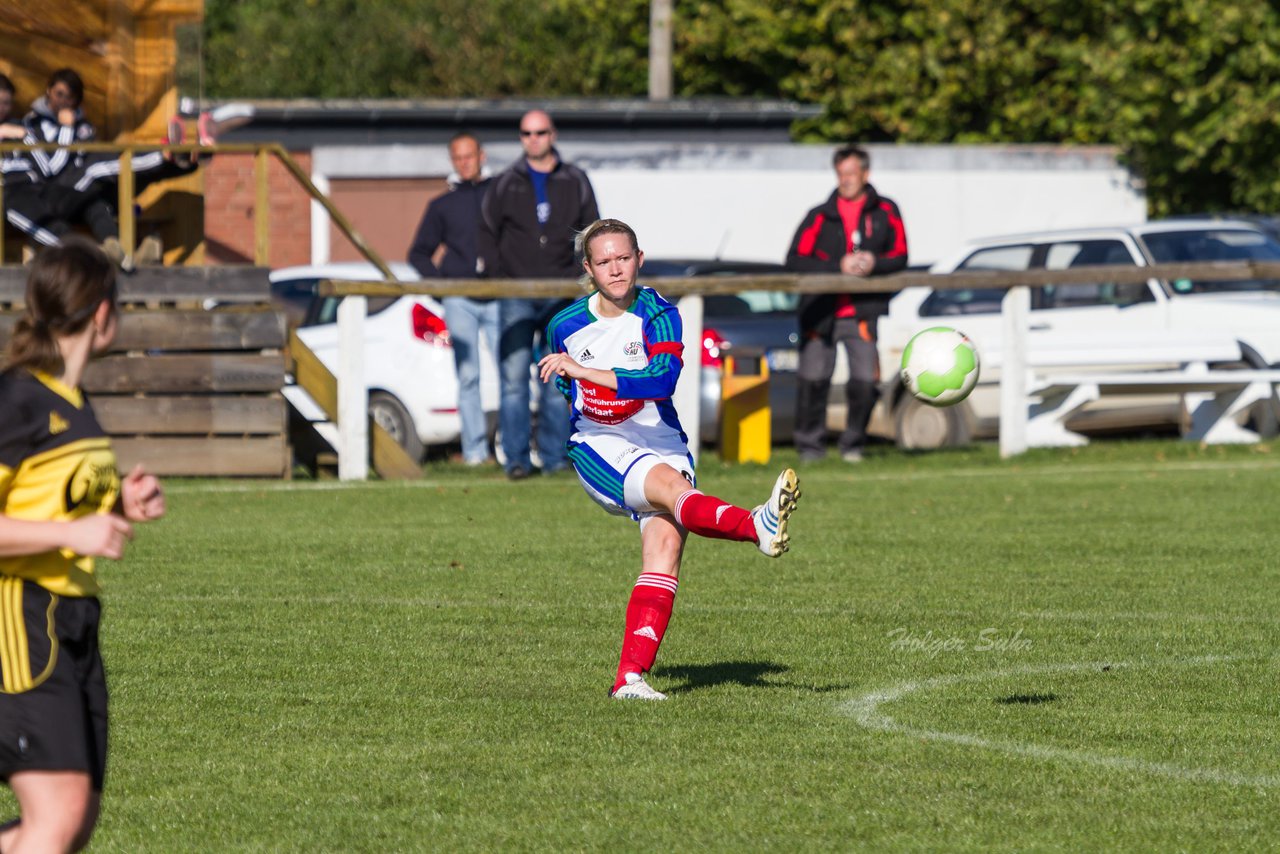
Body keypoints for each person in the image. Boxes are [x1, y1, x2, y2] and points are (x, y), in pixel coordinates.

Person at [539, 219, 801, 701]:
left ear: (640, 258)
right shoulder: (565, 325)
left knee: (664, 554)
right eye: (604, 262)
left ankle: (629, 680)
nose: (615, 269)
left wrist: (588, 372)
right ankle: (756, 525)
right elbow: (565, 386)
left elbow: (660, 382)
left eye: (623, 258)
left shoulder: (661, 314)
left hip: (661, 439)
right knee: (674, 493)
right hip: (598, 444)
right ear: (588, 270)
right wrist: (583, 381)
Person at [0, 238, 166, 852]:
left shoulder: (75, 403)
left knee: (77, 820)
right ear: (101, 311)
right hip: (22, 617)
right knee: (59, 815)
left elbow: (53, 496)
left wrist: (120, 501)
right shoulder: (16, 400)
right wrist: (73, 533)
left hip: (77, 620)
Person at [480, 109, 599, 480]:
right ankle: (515, 460)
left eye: (540, 132)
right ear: (521, 137)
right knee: (514, 381)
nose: (534, 139)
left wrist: (579, 277)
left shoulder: (575, 179)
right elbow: (487, 230)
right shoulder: (504, 182)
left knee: (557, 380)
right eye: (527, 133)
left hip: (561, 295)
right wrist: (501, 276)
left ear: (553, 134)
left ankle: (555, 460)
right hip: (515, 294)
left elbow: (592, 230)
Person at [786, 144, 908, 463]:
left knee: (865, 382)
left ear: (866, 174)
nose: (846, 180)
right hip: (819, 312)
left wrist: (874, 262)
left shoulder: (886, 211)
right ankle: (810, 448)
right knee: (812, 381)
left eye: (852, 174)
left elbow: (901, 256)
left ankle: (853, 445)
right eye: (841, 174)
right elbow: (794, 259)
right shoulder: (819, 215)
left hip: (862, 314)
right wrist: (836, 266)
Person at [408, 131, 498, 466]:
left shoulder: (500, 195)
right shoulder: (442, 205)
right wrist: (441, 288)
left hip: (499, 295)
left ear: (481, 155)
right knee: (468, 375)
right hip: (459, 298)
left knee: (511, 373)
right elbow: (418, 253)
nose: (464, 163)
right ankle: (475, 452)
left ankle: (513, 450)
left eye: (469, 156)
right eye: (458, 158)